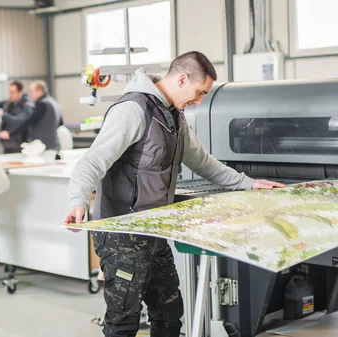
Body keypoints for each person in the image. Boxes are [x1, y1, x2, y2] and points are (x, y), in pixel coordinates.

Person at [63, 51, 285, 337]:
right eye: (199, 92)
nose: (200, 101)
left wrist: (247, 183)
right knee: (124, 320)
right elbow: (93, 161)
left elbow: (202, 161)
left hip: (154, 230)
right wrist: (77, 200)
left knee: (169, 314)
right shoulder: (133, 110)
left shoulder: (174, 115)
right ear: (182, 79)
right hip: (122, 234)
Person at [0, 80, 63, 151]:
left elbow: (29, 122)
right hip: (54, 144)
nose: (29, 94)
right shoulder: (53, 102)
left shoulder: (42, 104)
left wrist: (10, 134)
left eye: (31, 91)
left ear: (39, 91)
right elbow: (60, 123)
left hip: (45, 146)